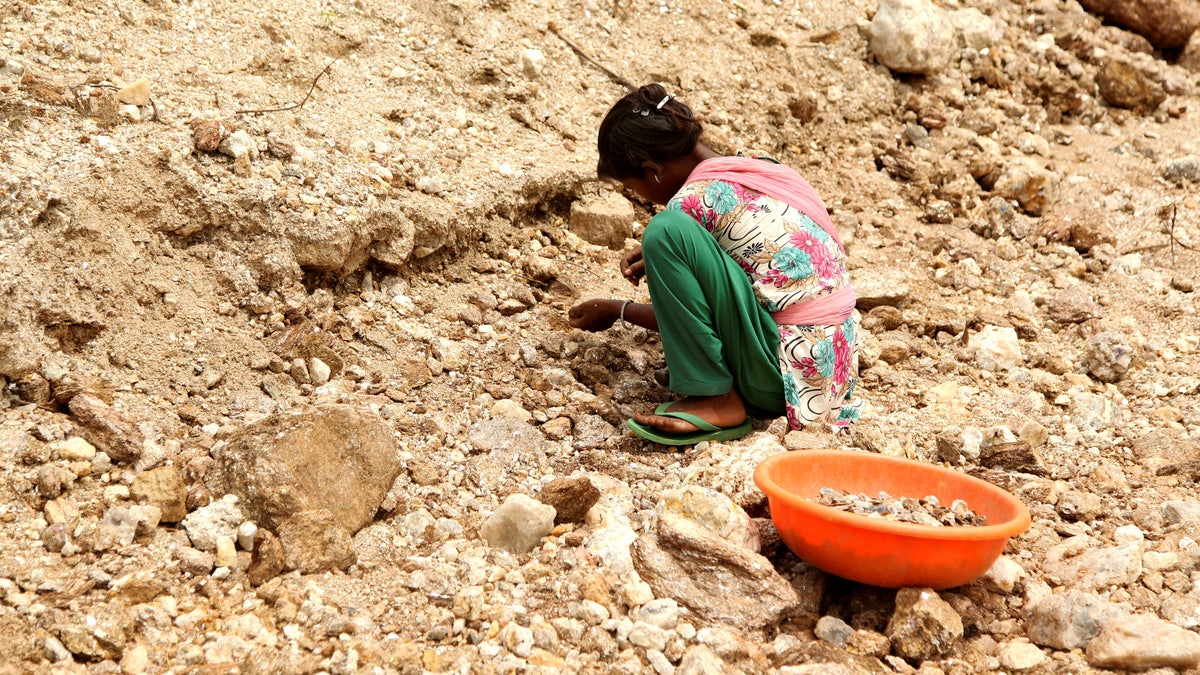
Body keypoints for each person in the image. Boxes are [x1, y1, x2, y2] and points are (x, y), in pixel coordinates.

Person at [569, 83, 862, 445]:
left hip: (782, 384)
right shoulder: (762, 171)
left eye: (634, 188)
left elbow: (686, 322)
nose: (641, 197)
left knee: (662, 231)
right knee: (670, 235)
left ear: (652, 170)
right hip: (832, 370)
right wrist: (688, 256)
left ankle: (714, 398)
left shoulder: (687, 206)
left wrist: (617, 309)